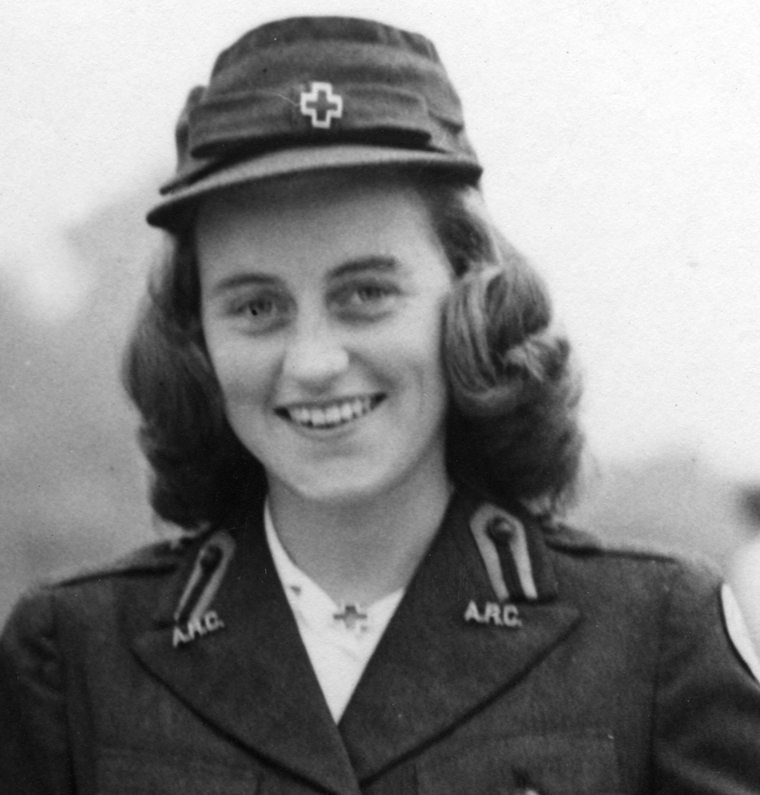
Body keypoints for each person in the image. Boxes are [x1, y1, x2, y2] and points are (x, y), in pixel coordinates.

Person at [1, 15, 759, 794]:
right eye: (257, 307)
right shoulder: (75, 654)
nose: (316, 361)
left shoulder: (653, 633)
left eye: (366, 293)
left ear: (471, 305)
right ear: (197, 339)